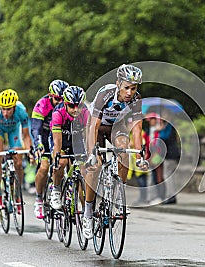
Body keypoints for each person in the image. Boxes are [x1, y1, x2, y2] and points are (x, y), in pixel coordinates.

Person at [84, 64, 149, 239]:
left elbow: (136, 127)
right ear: (118, 83)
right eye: (126, 87)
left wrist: (139, 154)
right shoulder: (104, 94)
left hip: (116, 127)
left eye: (133, 88)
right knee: (95, 166)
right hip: (97, 127)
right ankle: (88, 213)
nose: (129, 92)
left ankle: (119, 195)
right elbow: (94, 125)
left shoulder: (136, 99)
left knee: (124, 152)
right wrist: (92, 153)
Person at [0, 89, 33, 210]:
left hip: (14, 131)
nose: (5, 113)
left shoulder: (21, 111)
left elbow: (26, 136)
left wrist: (30, 152)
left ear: (14, 107)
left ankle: (17, 192)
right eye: (3, 109)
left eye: (9, 109)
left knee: (18, 161)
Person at [31, 79, 69, 219]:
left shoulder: (67, 106)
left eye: (62, 99)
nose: (60, 102)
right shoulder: (42, 104)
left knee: (62, 162)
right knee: (44, 166)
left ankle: (61, 188)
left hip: (58, 134)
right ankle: (39, 199)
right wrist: (38, 145)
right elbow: (36, 128)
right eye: (57, 98)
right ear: (50, 95)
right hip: (44, 135)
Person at [49, 86, 89, 211]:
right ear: (65, 104)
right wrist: (56, 157)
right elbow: (57, 141)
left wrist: (90, 153)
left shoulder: (86, 112)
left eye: (79, 106)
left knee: (84, 171)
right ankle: (56, 190)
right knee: (62, 162)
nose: (76, 110)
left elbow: (88, 135)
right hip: (60, 139)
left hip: (76, 140)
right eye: (72, 106)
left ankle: (86, 212)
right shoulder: (58, 113)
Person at [158, 118, 180, 204]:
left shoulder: (169, 126)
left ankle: (171, 196)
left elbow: (164, 138)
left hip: (170, 154)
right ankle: (171, 195)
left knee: (167, 176)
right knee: (168, 175)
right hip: (169, 154)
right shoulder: (168, 126)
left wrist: (160, 130)